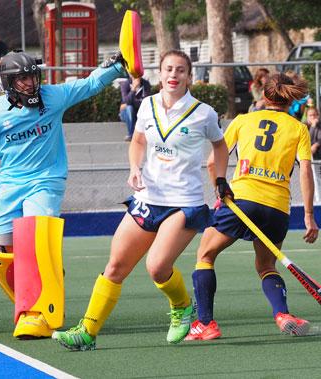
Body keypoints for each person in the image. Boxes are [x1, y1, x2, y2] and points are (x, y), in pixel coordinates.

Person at [0, 41, 141, 339]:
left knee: (35, 238)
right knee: (6, 253)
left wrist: (120, 65)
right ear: (8, 83)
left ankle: (38, 311)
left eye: (33, 76)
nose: (31, 83)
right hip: (10, 186)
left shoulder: (52, 97)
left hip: (46, 181)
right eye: (24, 78)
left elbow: (89, 85)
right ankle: (42, 291)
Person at [52, 50, 230, 351]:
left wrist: (221, 178)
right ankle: (87, 332)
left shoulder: (204, 113)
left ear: (189, 76)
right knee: (115, 267)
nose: (174, 75)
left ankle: (182, 306)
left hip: (183, 201)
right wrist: (134, 167)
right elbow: (137, 141)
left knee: (157, 267)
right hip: (148, 198)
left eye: (180, 70)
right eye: (168, 69)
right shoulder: (146, 105)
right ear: (159, 74)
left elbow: (220, 144)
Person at [186, 73, 319, 342]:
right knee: (267, 265)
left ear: (263, 95)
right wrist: (308, 215)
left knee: (205, 255)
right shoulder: (299, 128)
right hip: (277, 208)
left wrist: (219, 189)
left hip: (242, 200)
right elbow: (305, 170)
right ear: (288, 99)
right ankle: (282, 314)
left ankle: (205, 324)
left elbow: (213, 162)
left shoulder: (243, 120)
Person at [119, 74, 151, 141]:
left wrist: (131, 103)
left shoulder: (145, 84)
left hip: (140, 112)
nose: (136, 76)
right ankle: (131, 134)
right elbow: (127, 101)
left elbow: (146, 102)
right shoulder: (125, 84)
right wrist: (133, 89)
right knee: (129, 108)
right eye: (133, 74)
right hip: (127, 114)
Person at [306, 107, 321, 202]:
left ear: (318, 116)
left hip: (319, 156)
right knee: (313, 179)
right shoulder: (305, 127)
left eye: (314, 115)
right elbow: (308, 140)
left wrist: (316, 144)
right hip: (311, 158)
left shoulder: (319, 126)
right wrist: (312, 127)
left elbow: (319, 139)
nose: (313, 117)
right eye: (310, 115)